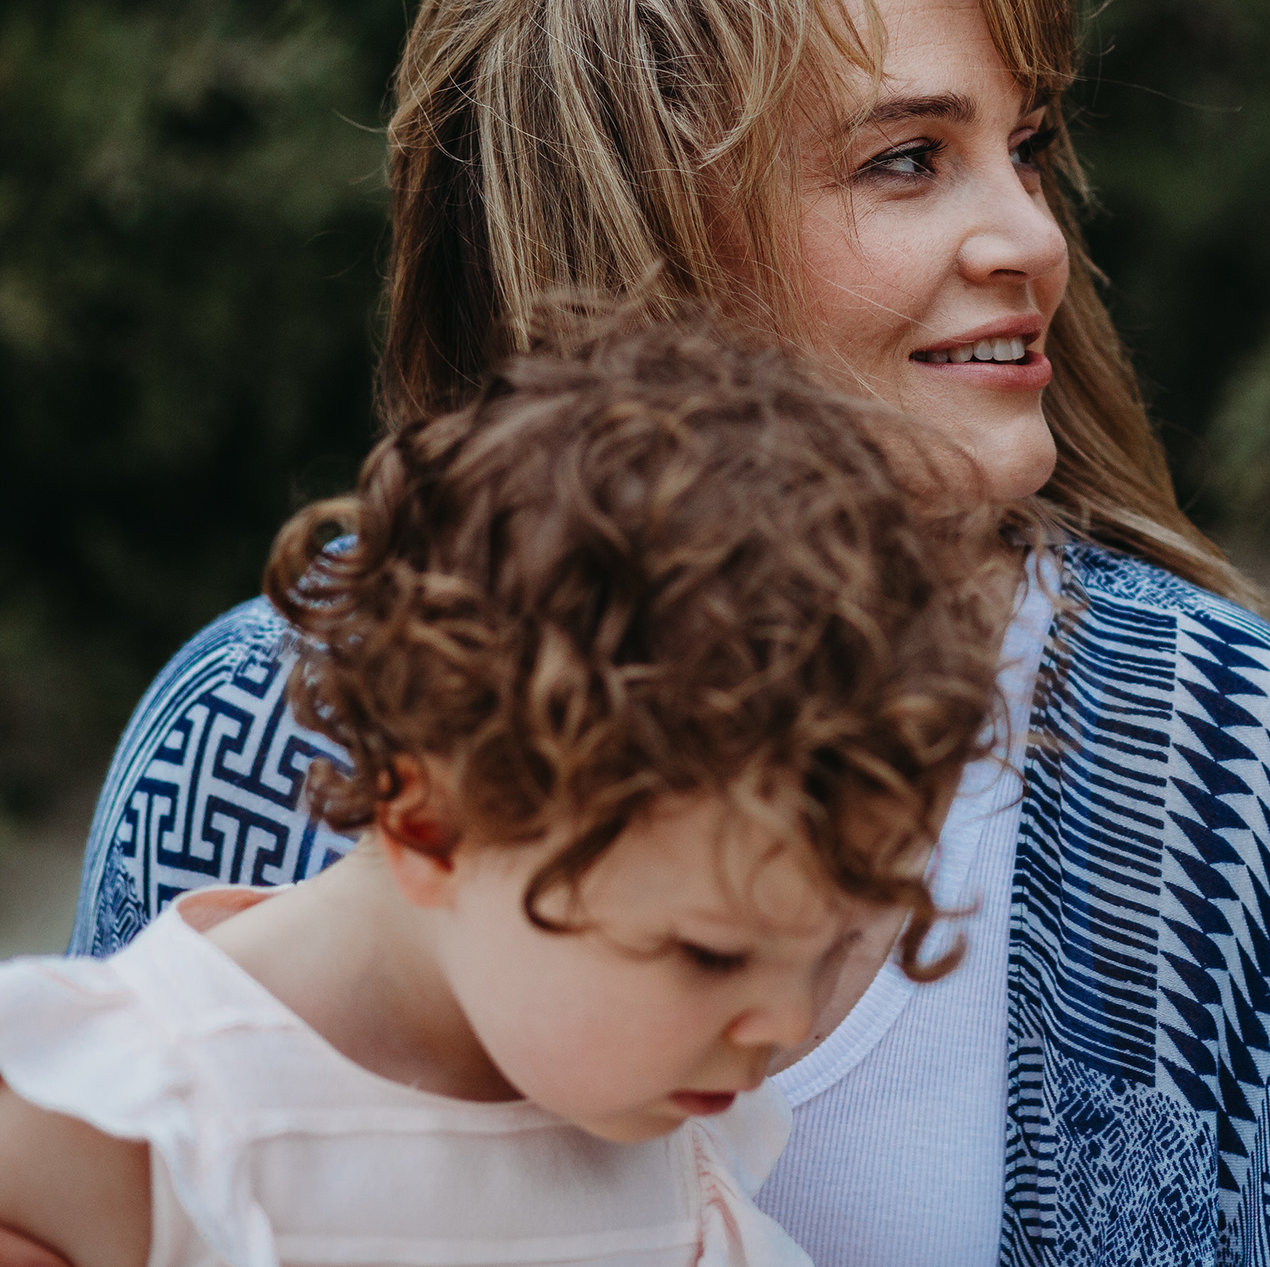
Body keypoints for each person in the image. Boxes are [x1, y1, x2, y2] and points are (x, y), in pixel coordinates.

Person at [70, 0, 1270, 1265]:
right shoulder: (265, 726)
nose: (1030, 235)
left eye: (1026, 146)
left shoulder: (1207, 741)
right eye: (907, 159)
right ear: (641, 222)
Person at [2, 317, 1003, 1267]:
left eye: (828, 950)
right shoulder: (126, 1110)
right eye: (710, 952)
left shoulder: (654, 1110)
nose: (783, 1025)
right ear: (434, 825)